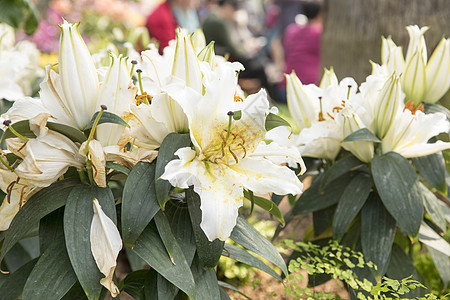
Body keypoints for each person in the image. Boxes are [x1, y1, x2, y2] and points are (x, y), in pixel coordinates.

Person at [277, 0, 322, 102]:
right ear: (320, 15)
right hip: (310, 90)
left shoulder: (291, 30)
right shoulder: (319, 34)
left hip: (285, 90)